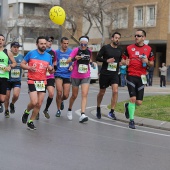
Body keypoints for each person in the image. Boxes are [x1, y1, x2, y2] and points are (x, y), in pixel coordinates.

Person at [122, 29, 155, 129]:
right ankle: (131, 121)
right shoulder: (129, 48)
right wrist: (124, 62)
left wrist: (147, 62)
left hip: (142, 76)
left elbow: (152, 63)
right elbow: (123, 60)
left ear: (144, 38)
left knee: (139, 102)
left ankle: (128, 106)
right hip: (131, 75)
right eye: (135, 35)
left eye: (139, 36)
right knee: (133, 98)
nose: (136, 37)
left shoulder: (149, 49)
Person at [21, 36, 53, 130]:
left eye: (44, 44)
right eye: (41, 43)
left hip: (42, 81)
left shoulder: (48, 56)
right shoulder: (31, 53)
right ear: (37, 44)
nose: (43, 45)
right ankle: (26, 112)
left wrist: (51, 70)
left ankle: (30, 121)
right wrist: (29, 68)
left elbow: (50, 70)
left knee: (39, 104)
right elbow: (22, 64)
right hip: (32, 80)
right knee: (34, 102)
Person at [66, 35, 94, 123]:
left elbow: (90, 60)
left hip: (86, 75)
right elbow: (68, 60)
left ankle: (82, 114)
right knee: (74, 95)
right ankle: (69, 109)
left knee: (84, 94)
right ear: (80, 43)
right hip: (75, 75)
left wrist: (92, 63)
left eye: (85, 45)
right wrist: (75, 58)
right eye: (82, 44)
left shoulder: (89, 51)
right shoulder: (76, 50)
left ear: (87, 44)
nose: (83, 46)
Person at [96, 32, 123, 120]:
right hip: (105, 73)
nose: (117, 39)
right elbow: (97, 58)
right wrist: (106, 60)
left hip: (114, 74)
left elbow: (120, 61)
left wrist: (122, 63)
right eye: (116, 38)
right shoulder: (105, 48)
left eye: (119, 38)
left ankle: (111, 111)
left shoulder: (120, 49)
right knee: (102, 92)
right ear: (112, 38)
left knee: (115, 91)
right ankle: (98, 107)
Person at [36, 36, 57, 120]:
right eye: (48, 41)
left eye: (51, 41)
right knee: (39, 96)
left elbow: (54, 62)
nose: (50, 42)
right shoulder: (38, 53)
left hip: (50, 76)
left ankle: (46, 109)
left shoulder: (52, 53)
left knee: (51, 93)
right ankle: (36, 111)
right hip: (40, 77)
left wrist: (53, 69)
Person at [4, 42, 24, 118]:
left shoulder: (22, 57)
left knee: (16, 95)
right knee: (7, 97)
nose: (16, 49)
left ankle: (12, 104)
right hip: (8, 80)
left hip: (17, 80)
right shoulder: (7, 56)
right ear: (11, 48)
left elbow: (26, 64)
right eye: (14, 47)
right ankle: (6, 110)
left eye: (17, 47)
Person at [54, 37, 72, 119]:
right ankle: (58, 110)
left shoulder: (71, 52)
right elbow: (54, 61)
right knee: (59, 92)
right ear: (61, 43)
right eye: (64, 43)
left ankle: (61, 100)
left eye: (67, 43)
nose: (66, 45)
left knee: (66, 95)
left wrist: (72, 66)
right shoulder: (56, 52)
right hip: (58, 74)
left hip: (67, 75)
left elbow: (74, 62)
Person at [0, 34, 17, 113]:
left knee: (3, 99)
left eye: (3, 40)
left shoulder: (7, 52)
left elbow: (14, 63)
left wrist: (10, 66)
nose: (1, 41)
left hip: (4, 77)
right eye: (0, 39)